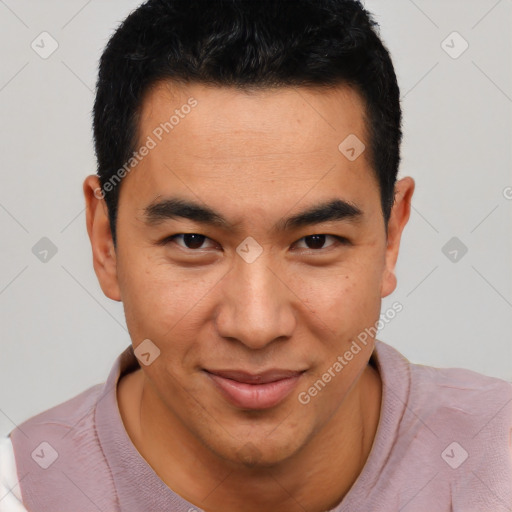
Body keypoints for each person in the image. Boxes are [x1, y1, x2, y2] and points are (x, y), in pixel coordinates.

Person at [1, 1, 511, 511]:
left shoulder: (497, 462)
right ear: (105, 242)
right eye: (193, 241)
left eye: (315, 242)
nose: (256, 325)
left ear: (391, 236)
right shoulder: (20, 489)